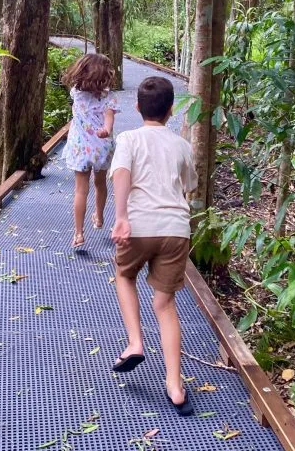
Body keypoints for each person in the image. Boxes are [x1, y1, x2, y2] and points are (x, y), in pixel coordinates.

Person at [109, 76, 198, 417]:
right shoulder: (181, 145)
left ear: (137, 108)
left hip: (139, 225)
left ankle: (135, 342)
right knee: (165, 303)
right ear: (171, 110)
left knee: (124, 274)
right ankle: (175, 386)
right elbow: (189, 184)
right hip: (176, 230)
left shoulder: (129, 138)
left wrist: (121, 217)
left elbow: (120, 173)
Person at [61, 53, 119, 248]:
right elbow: (109, 118)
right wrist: (106, 130)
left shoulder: (76, 92)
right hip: (101, 147)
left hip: (80, 147)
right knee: (100, 184)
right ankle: (100, 217)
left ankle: (78, 233)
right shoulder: (109, 97)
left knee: (80, 190)